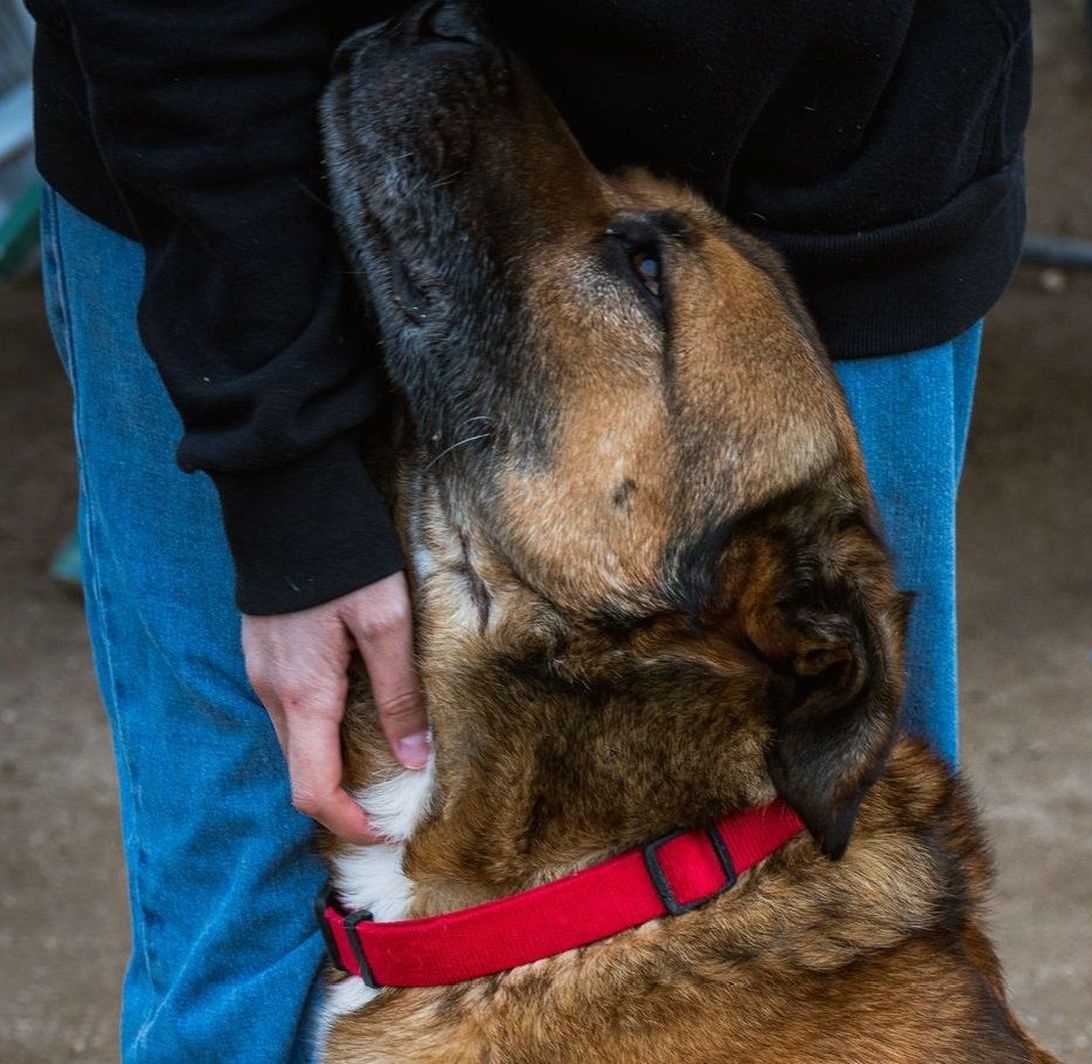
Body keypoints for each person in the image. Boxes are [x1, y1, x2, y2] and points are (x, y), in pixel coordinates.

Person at [28, 0, 1031, 1058]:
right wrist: (277, 472)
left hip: (856, 164)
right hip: (225, 168)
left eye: (639, 258)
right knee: (234, 955)